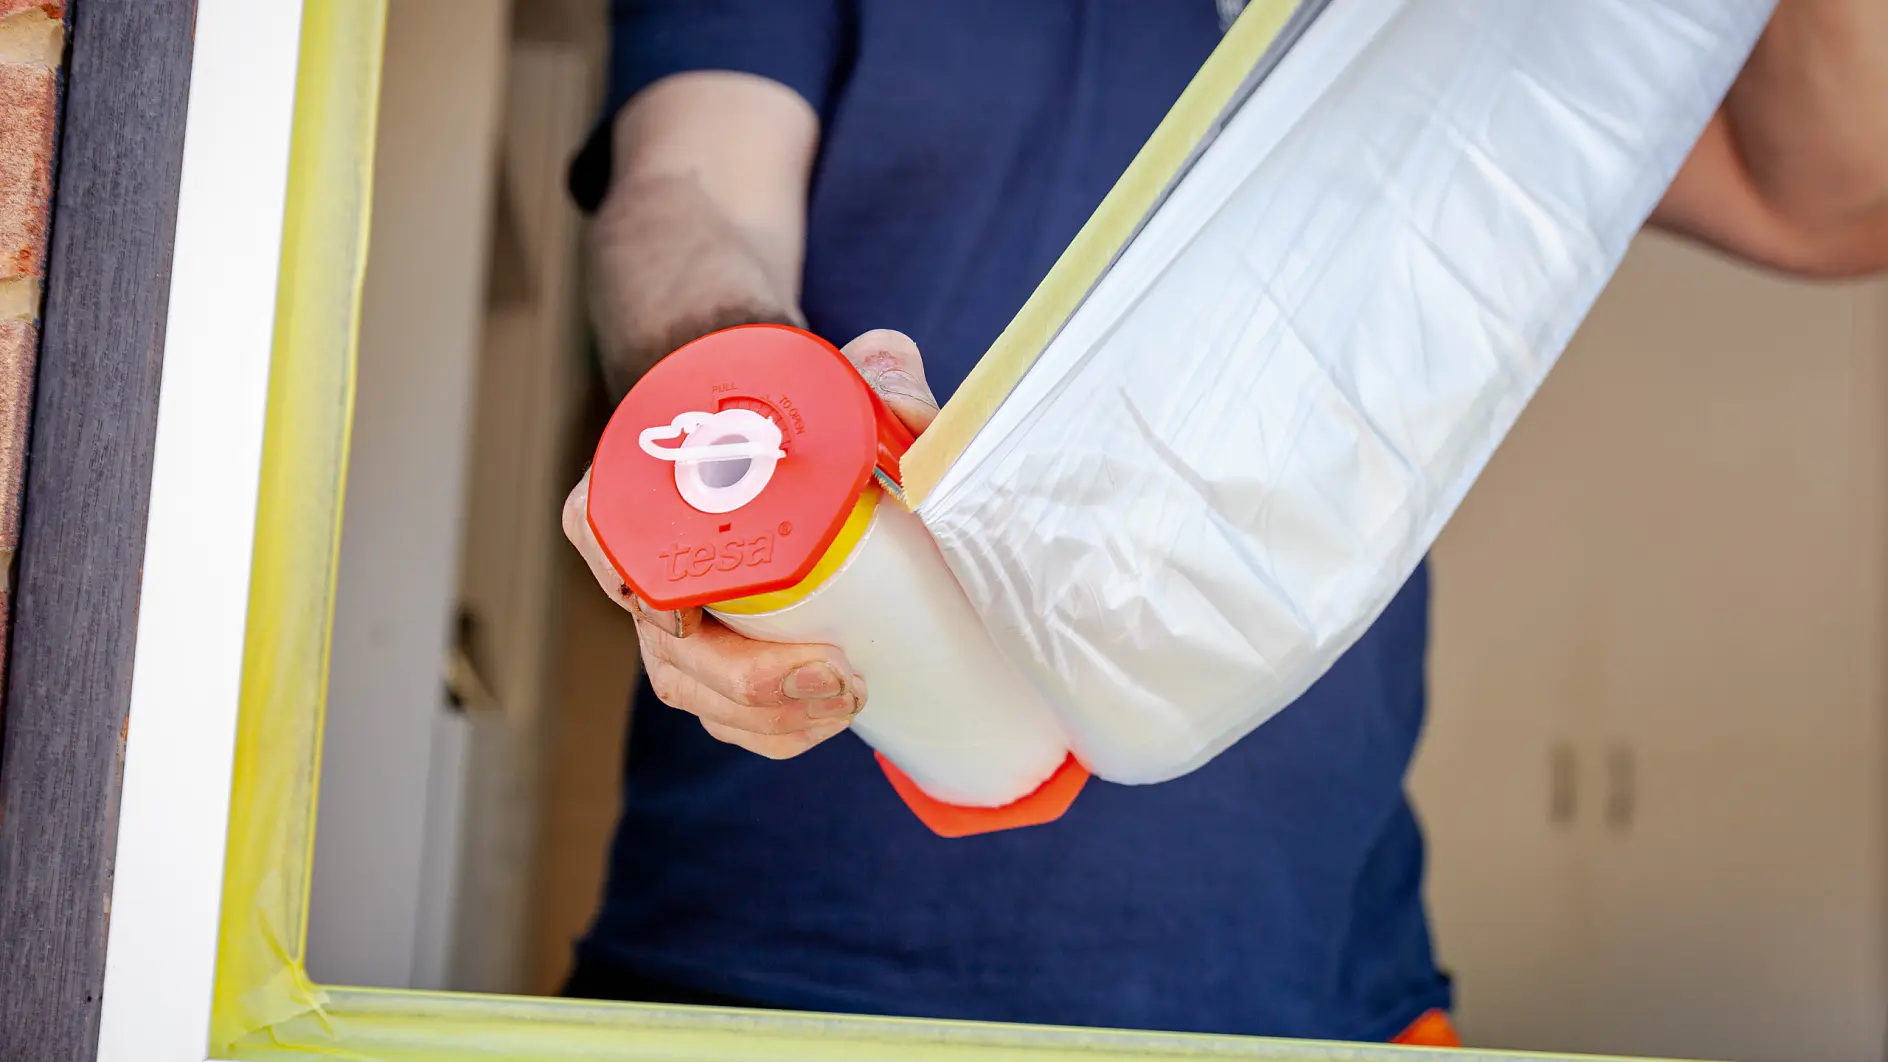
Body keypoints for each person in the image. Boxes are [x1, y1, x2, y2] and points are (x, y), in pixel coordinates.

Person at [560, 0, 1888, 1044]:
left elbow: (1827, 194)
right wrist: (733, 427)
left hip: (1309, 995)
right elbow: (689, 192)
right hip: (750, 978)